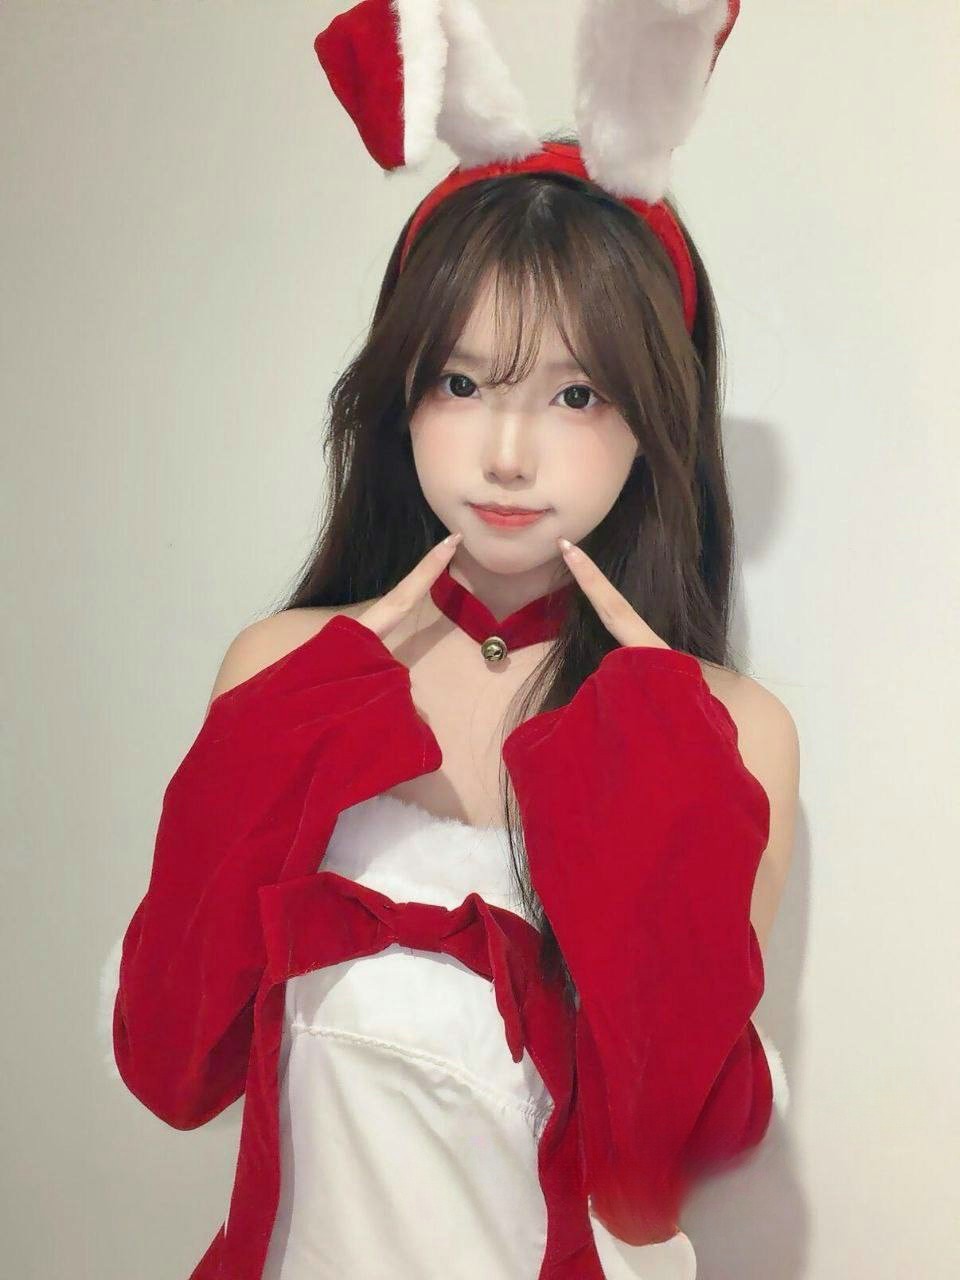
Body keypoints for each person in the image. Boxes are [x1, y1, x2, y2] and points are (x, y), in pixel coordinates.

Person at [100, 2, 799, 1277]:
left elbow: (649, 1187)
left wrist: (659, 775)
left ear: (655, 419)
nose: (508, 453)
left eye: (576, 392)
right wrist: (292, 720)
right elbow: (170, 1066)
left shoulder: (728, 730)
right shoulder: (282, 667)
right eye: (461, 382)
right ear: (400, 397)